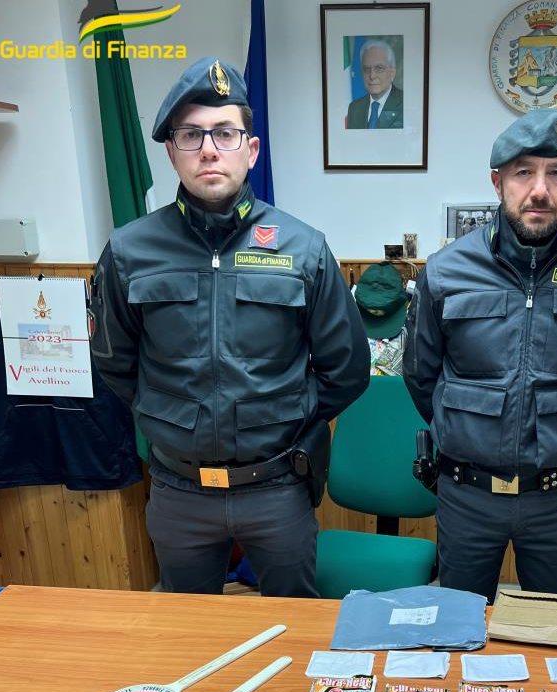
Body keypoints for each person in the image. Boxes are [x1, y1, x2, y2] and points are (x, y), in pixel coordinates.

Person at [90, 57, 370, 596]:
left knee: (293, 626)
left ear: (251, 149)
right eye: (191, 135)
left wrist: (283, 415)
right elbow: (114, 362)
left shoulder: (303, 248)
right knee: (188, 632)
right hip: (179, 491)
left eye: (224, 132)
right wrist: (169, 416)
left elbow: (348, 369)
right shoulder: (129, 251)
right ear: (171, 152)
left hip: (277, 487)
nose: (209, 149)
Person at [404, 109, 557, 604]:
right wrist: (466, 429)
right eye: (523, 173)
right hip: (467, 494)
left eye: (555, 173)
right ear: (497, 182)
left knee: (553, 630)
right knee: (461, 625)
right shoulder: (447, 271)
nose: (540, 190)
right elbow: (421, 375)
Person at [346, 40, 403, 129]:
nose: (372, 76)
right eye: (366, 69)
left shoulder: (406, 102)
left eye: (379, 68)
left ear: (392, 73)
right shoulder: (354, 108)